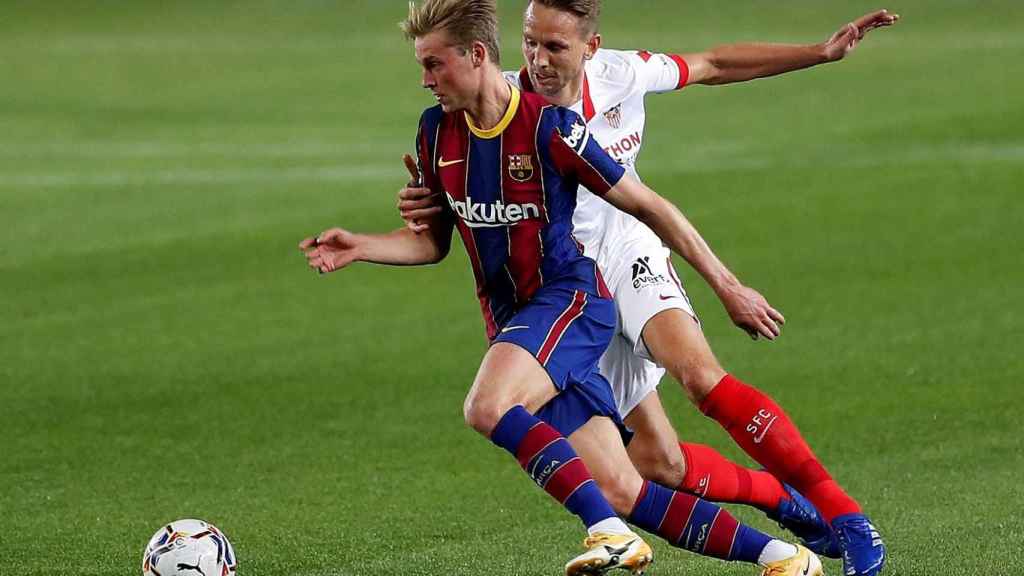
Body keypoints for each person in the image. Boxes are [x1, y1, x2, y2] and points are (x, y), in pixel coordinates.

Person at [302, 1, 823, 574]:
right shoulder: (436, 133)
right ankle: (788, 558)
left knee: (487, 406)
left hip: (571, 303)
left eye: (434, 65)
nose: (425, 80)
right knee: (630, 485)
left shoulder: (550, 127)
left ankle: (607, 534)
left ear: (477, 56)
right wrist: (362, 247)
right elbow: (431, 244)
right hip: (516, 323)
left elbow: (648, 205)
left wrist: (726, 284)